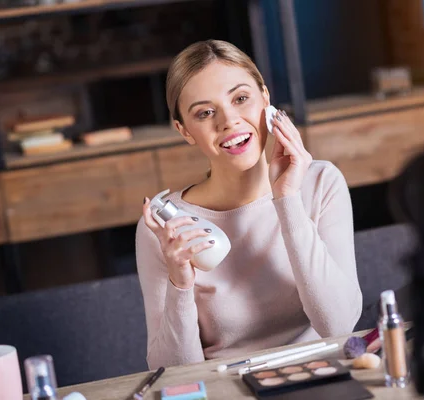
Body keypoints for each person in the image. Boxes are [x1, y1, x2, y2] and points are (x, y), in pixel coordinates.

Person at [136, 39, 363, 369]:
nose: (229, 121)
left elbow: (338, 327)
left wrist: (287, 199)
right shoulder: (165, 227)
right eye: (205, 113)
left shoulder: (320, 183)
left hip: (321, 377)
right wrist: (180, 283)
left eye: (241, 99)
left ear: (266, 100)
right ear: (184, 130)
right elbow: (172, 373)